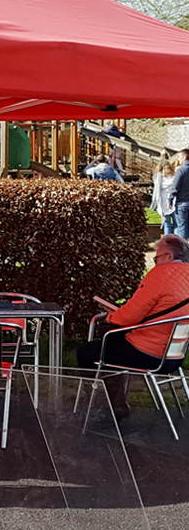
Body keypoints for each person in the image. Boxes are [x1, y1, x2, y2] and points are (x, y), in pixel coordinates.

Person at [76, 234, 189, 419]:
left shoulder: (160, 275)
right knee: (111, 347)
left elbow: (129, 317)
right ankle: (115, 405)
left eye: (156, 257)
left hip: (148, 353)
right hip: (175, 356)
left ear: (168, 256)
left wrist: (112, 314)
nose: (154, 262)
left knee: (88, 352)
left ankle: (107, 408)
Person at [152, 159, 176, 235]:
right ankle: (178, 242)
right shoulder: (174, 177)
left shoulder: (158, 178)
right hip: (174, 202)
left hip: (163, 203)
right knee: (177, 224)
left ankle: (167, 243)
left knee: (167, 225)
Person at [169, 149, 189, 239]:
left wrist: (170, 199)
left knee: (182, 228)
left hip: (182, 203)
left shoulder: (181, 170)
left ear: (185, 157)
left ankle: (184, 250)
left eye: (180, 157)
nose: (178, 160)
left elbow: (175, 186)